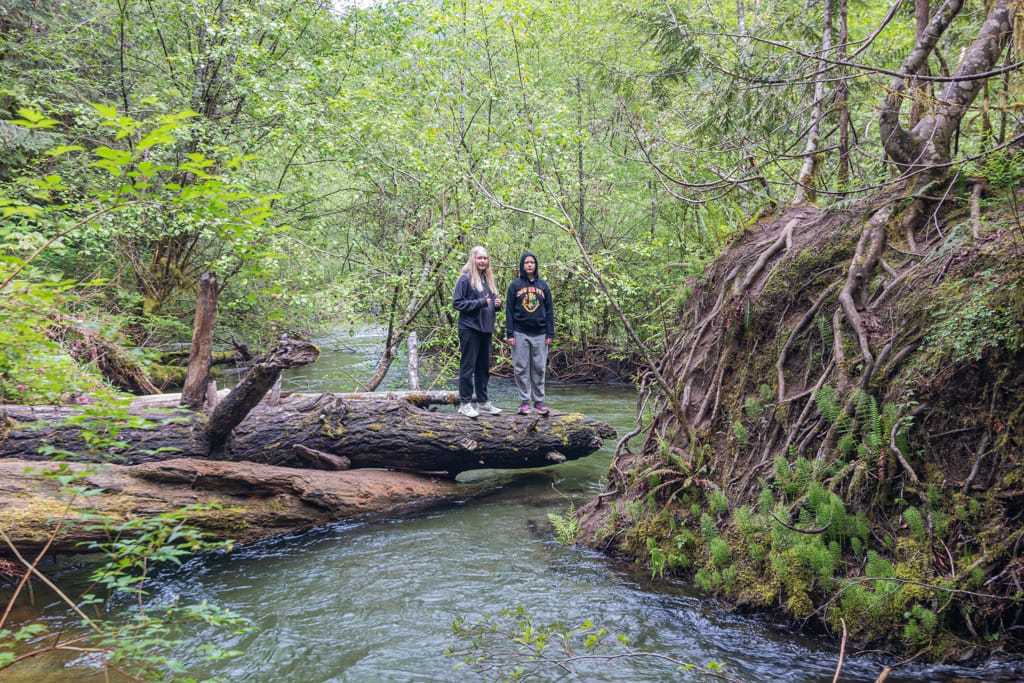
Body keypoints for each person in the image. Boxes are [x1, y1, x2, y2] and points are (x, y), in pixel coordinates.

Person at [452, 246, 503, 418]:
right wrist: (480, 302)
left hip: (486, 328)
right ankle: (465, 404)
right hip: (470, 328)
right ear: (473, 259)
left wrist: (497, 305)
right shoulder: (465, 278)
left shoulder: (487, 279)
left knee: (483, 368)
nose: (483, 261)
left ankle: (482, 403)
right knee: (468, 367)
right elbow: (457, 303)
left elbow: (489, 303)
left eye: (485, 258)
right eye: (480, 258)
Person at [505, 252, 554, 415]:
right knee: (521, 368)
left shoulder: (543, 286)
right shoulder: (515, 286)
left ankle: (538, 401)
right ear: (522, 265)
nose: (529, 265)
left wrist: (550, 333)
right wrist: (510, 334)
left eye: (532, 262)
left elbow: (549, 311)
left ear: (536, 265)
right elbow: (509, 311)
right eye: (526, 262)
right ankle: (524, 402)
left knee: (539, 368)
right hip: (520, 333)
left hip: (540, 333)